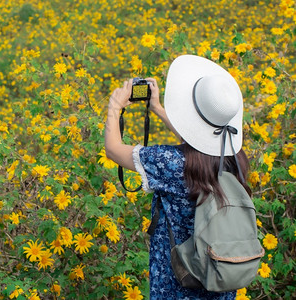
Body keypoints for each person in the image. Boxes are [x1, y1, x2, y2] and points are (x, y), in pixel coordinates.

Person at [104, 55, 251, 299]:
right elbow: (200, 141)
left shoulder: (170, 162)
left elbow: (113, 149)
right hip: (220, 272)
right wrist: (158, 109)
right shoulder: (234, 157)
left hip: (180, 280)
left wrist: (114, 107)